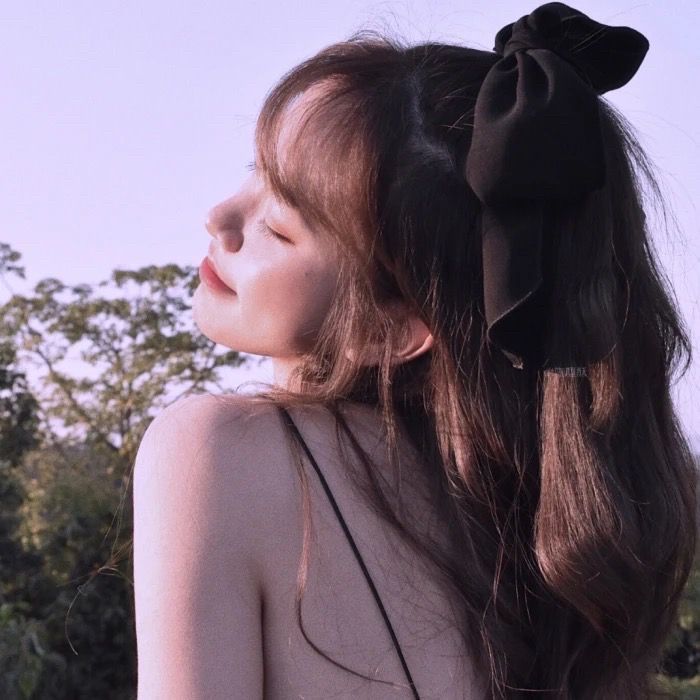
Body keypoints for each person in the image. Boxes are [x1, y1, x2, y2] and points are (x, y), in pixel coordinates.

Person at [132, 3, 698, 698]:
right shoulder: (540, 556)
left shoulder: (215, 451)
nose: (219, 218)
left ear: (389, 330)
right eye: (255, 170)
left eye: (278, 225)